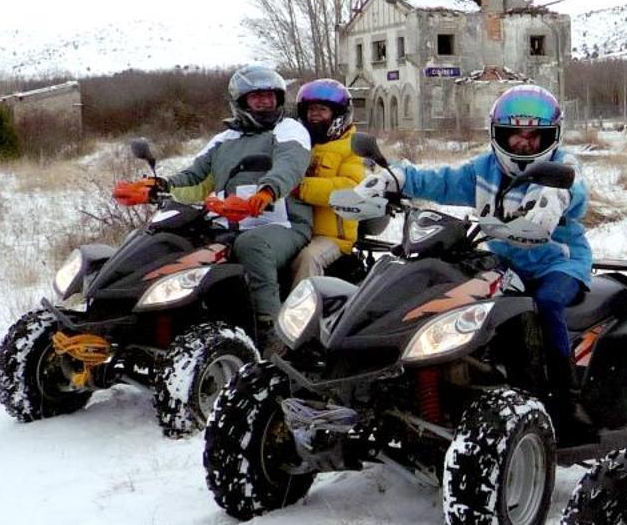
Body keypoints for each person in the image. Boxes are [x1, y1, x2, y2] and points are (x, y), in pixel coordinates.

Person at [342, 85, 593, 437]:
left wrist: (557, 196)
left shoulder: (561, 169)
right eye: (513, 135)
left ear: (551, 137)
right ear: (497, 134)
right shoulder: (484, 170)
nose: (522, 143)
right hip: (504, 263)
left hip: (558, 265)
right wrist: (397, 177)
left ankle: (565, 398)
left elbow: (577, 188)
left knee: (546, 304)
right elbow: (440, 181)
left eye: (533, 136)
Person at [114, 65, 313, 334]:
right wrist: (158, 185)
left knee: (252, 245)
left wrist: (266, 193)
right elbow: (195, 174)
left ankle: (270, 329)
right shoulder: (225, 138)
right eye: (257, 97)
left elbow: (290, 164)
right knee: (171, 241)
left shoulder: (289, 129)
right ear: (241, 102)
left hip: (282, 223)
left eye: (270, 96)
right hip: (228, 221)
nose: (265, 102)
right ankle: (151, 319)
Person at [286, 78, 367, 285]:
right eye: (311, 109)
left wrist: (300, 188)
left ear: (339, 115)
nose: (314, 115)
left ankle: (301, 314)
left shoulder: (352, 147)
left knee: (308, 258)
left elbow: (350, 189)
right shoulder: (298, 144)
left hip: (333, 238)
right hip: (295, 229)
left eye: (322, 110)